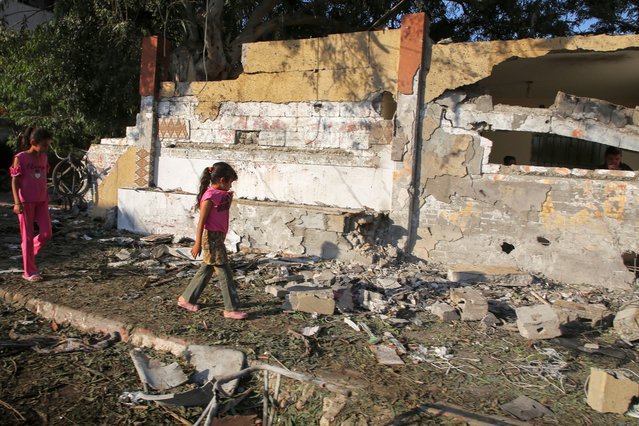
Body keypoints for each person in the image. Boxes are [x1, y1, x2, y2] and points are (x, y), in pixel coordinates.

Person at [177, 162, 248, 320]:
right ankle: (231, 308)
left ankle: (186, 299)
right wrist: (197, 243)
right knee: (224, 271)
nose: (230, 186)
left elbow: (223, 207)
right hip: (211, 238)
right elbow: (201, 222)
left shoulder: (220, 194)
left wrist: (228, 195)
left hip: (218, 237)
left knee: (207, 268)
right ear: (222, 180)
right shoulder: (209, 197)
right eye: (229, 182)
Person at [10, 128, 53, 282]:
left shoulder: (44, 157)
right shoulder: (20, 158)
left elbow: (42, 178)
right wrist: (17, 202)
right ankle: (29, 272)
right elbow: (14, 181)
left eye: (48, 145)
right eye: (44, 145)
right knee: (27, 237)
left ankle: (28, 253)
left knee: (47, 234)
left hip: (42, 200)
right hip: (25, 201)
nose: (46, 148)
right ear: (33, 143)